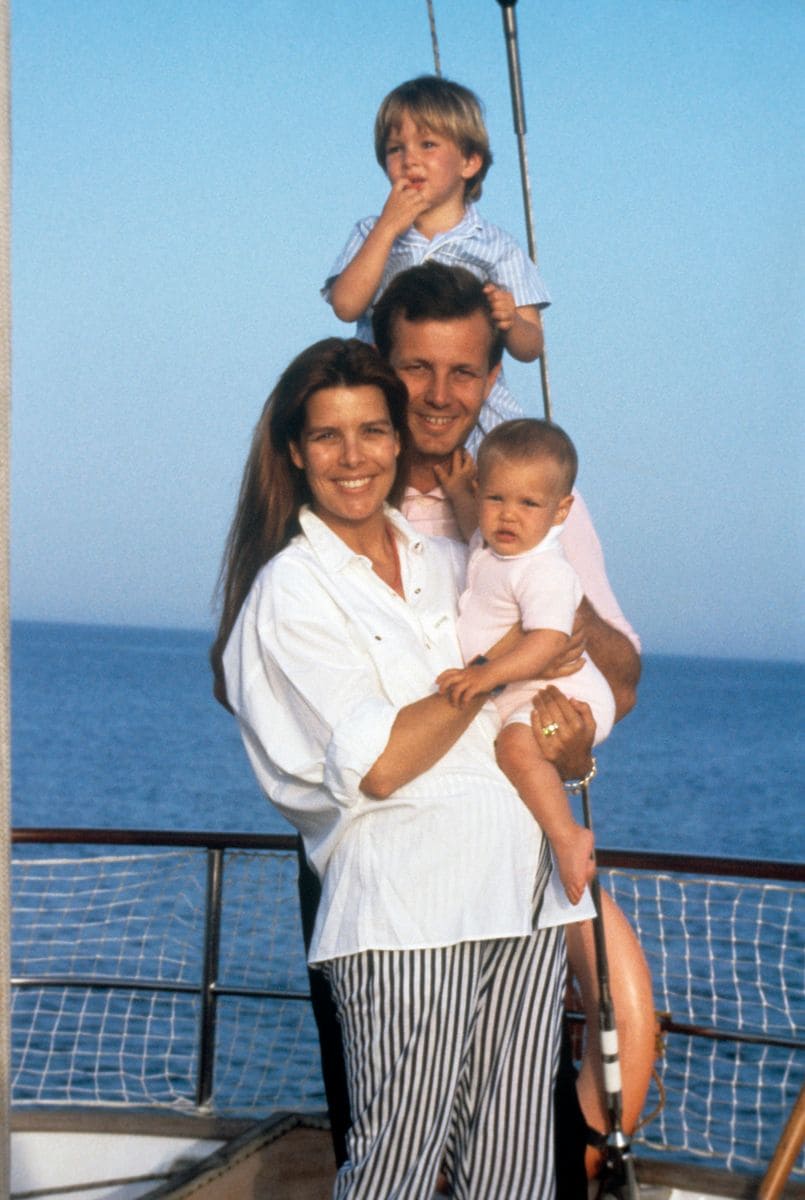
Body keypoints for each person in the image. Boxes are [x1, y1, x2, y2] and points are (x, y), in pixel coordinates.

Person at [213, 338, 567, 1199]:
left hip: (523, 891)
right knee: (395, 1172)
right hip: (405, 910)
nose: (353, 456)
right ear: (294, 451)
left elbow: (553, 686)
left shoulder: (455, 562)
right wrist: (495, 672)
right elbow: (380, 764)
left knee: (515, 1170)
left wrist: (565, 729)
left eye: (372, 431)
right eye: (327, 436)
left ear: (399, 440)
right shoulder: (289, 592)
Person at [436, 419, 616, 908]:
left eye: (529, 504)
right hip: (520, 690)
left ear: (561, 510)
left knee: (516, 750)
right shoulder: (492, 548)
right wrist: (457, 492)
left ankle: (567, 836)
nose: (508, 516)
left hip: (562, 695)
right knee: (506, 751)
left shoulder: (544, 569)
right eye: (496, 498)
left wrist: (486, 674)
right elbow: (473, 530)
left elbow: (550, 641)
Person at [323, 74, 550, 451]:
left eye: (427, 145)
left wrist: (511, 320)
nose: (409, 159)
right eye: (396, 149)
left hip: (468, 404)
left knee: (512, 460)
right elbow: (346, 306)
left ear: (469, 161)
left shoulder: (497, 246)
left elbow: (531, 347)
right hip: (386, 395)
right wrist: (387, 228)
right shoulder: (369, 232)